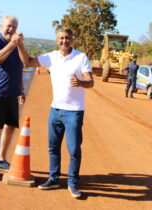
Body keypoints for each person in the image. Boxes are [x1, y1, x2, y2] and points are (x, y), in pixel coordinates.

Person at [17, 28, 94, 198]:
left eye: (67, 38)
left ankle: (72, 183)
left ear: (72, 39)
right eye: (61, 38)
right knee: (53, 147)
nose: (64, 41)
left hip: (74, 112)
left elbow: (90, 82)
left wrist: (81, 82)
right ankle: (53, 179)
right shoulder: (52, 57)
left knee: (73, 149)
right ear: (56, 40)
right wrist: (20, 45)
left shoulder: (81, 57)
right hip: (56, 110)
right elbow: (28, 62)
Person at [0, 16, 25, 180]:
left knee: (10, 127)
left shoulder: (15, 45)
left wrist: (21, 89)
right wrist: (13, 43)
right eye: (9, 26)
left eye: (14, 26)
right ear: (1, 26)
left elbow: (19, 67)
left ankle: (1, 160)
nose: (11, 29)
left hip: (12, 93)